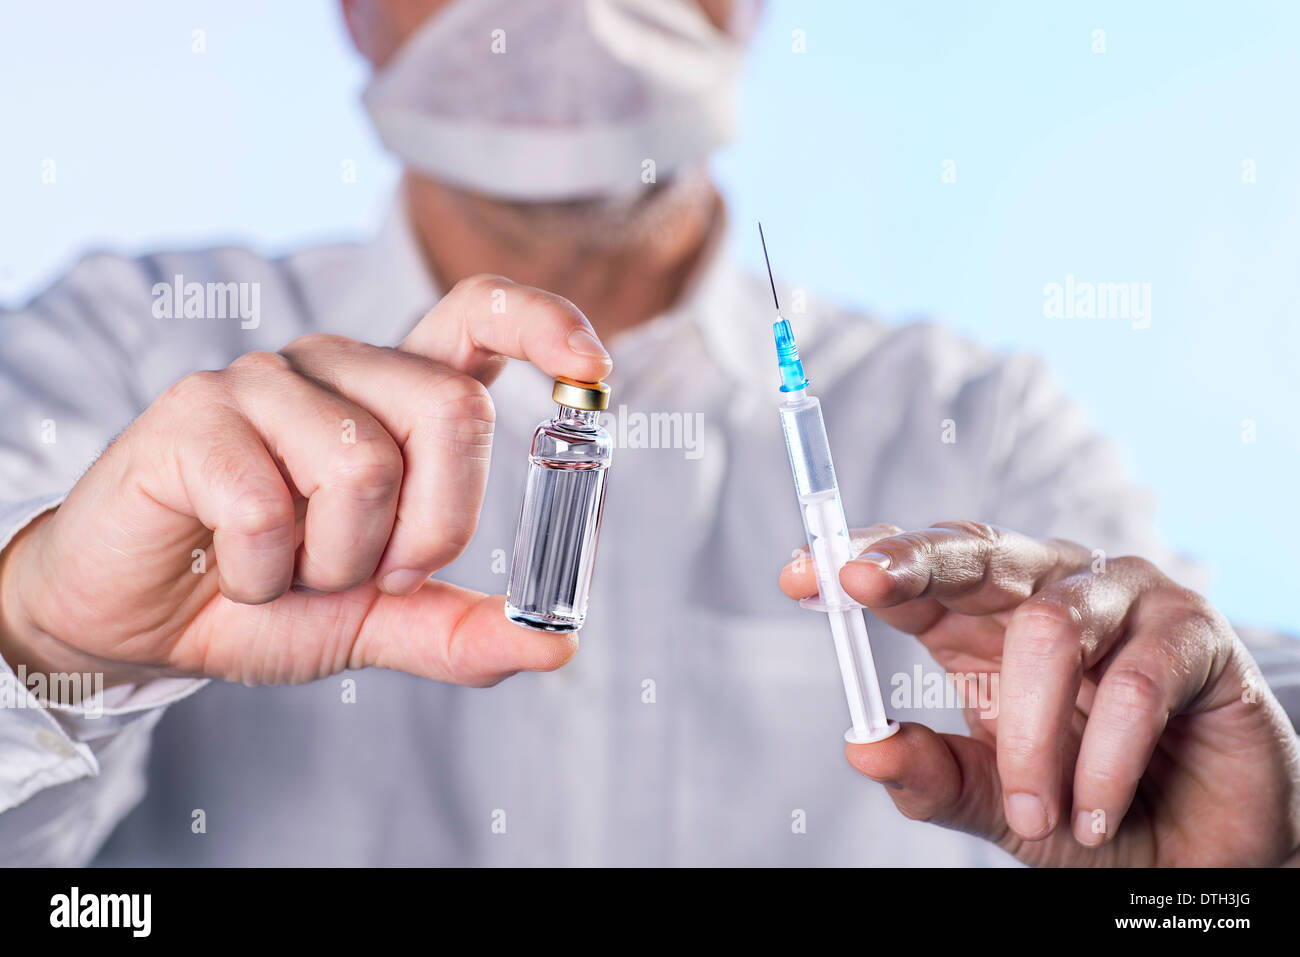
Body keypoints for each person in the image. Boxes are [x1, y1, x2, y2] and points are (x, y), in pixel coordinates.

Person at [0, 0, 1296, 867]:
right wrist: (45, 644)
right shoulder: (129, 350)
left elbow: (1212, 753)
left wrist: (1221, 883)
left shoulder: (984, 432)